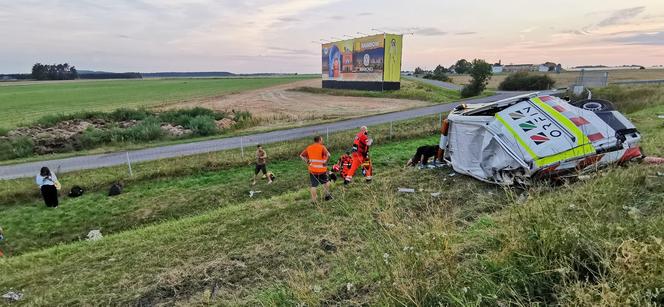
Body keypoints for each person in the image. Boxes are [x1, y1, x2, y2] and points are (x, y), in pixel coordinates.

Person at [300, 136, 333, 203]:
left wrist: (307, 161)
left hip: (312, 170)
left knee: (313, 185)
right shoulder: (322, 147)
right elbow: (329, 155)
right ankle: (327, 196)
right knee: (326, 182)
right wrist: (326, 162)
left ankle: (314, 201)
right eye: (322, 140)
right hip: (321, 170)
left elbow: (301, 155)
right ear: (320, 140)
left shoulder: (309, 147)